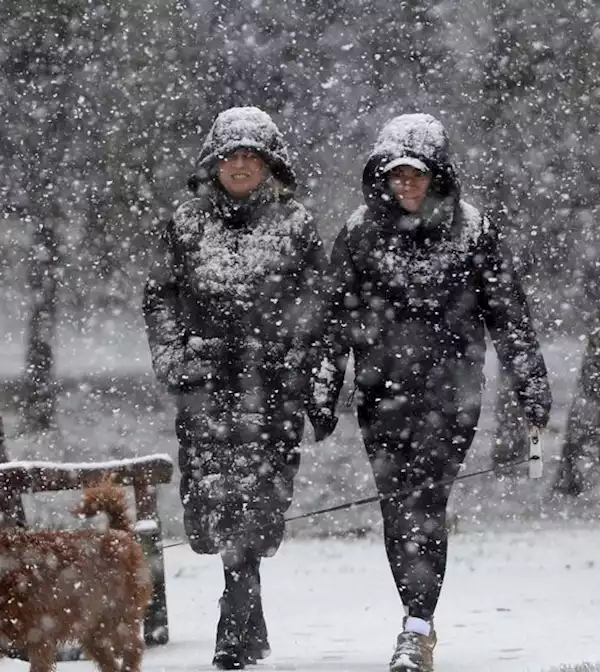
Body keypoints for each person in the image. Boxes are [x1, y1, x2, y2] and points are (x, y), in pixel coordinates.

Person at [310, 113, 552, 672]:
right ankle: (417, 618)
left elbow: (509, 316)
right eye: (397, 174)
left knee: (425, 503)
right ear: (382, 177)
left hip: (452, 396)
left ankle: (416, 626)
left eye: (417, 174)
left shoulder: (472, 231)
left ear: (438, 175)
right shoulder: (359, 233)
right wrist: (323, 393)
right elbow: (330, 323)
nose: (407, 184)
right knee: (400, 507)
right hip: (380, 397)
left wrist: (531, 389)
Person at [142, 106, 328, 670]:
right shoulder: (185, 224)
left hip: (272, 390)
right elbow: (160, 299)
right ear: (214, 163)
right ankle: (248, 607)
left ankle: (234, 613)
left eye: (252, 155)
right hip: (206, 387)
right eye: (231, 155)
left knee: (260, 500)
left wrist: (311, 382)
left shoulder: (295, 224)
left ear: (269, 163)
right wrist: (175, 362)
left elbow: (320, 309)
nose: (241, 165)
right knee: (212, 503)